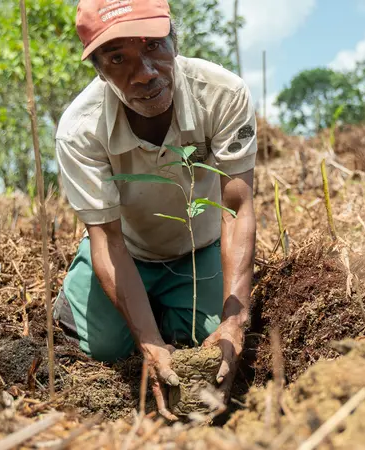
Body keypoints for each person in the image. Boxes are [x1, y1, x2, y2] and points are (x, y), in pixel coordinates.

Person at [52, 0, 257, 421]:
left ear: (174, 41)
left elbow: (236, 207)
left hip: (198, 250)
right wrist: (147, 343)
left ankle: (170, 309)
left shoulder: (222, 93)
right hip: (126, 250)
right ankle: (87, 302)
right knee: (107, 347)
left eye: (154, 46)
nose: (144, 72)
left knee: (215, 343)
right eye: (118, 58)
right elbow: (106, 237)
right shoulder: (80, 130)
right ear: (98, 69)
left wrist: (234, 321)